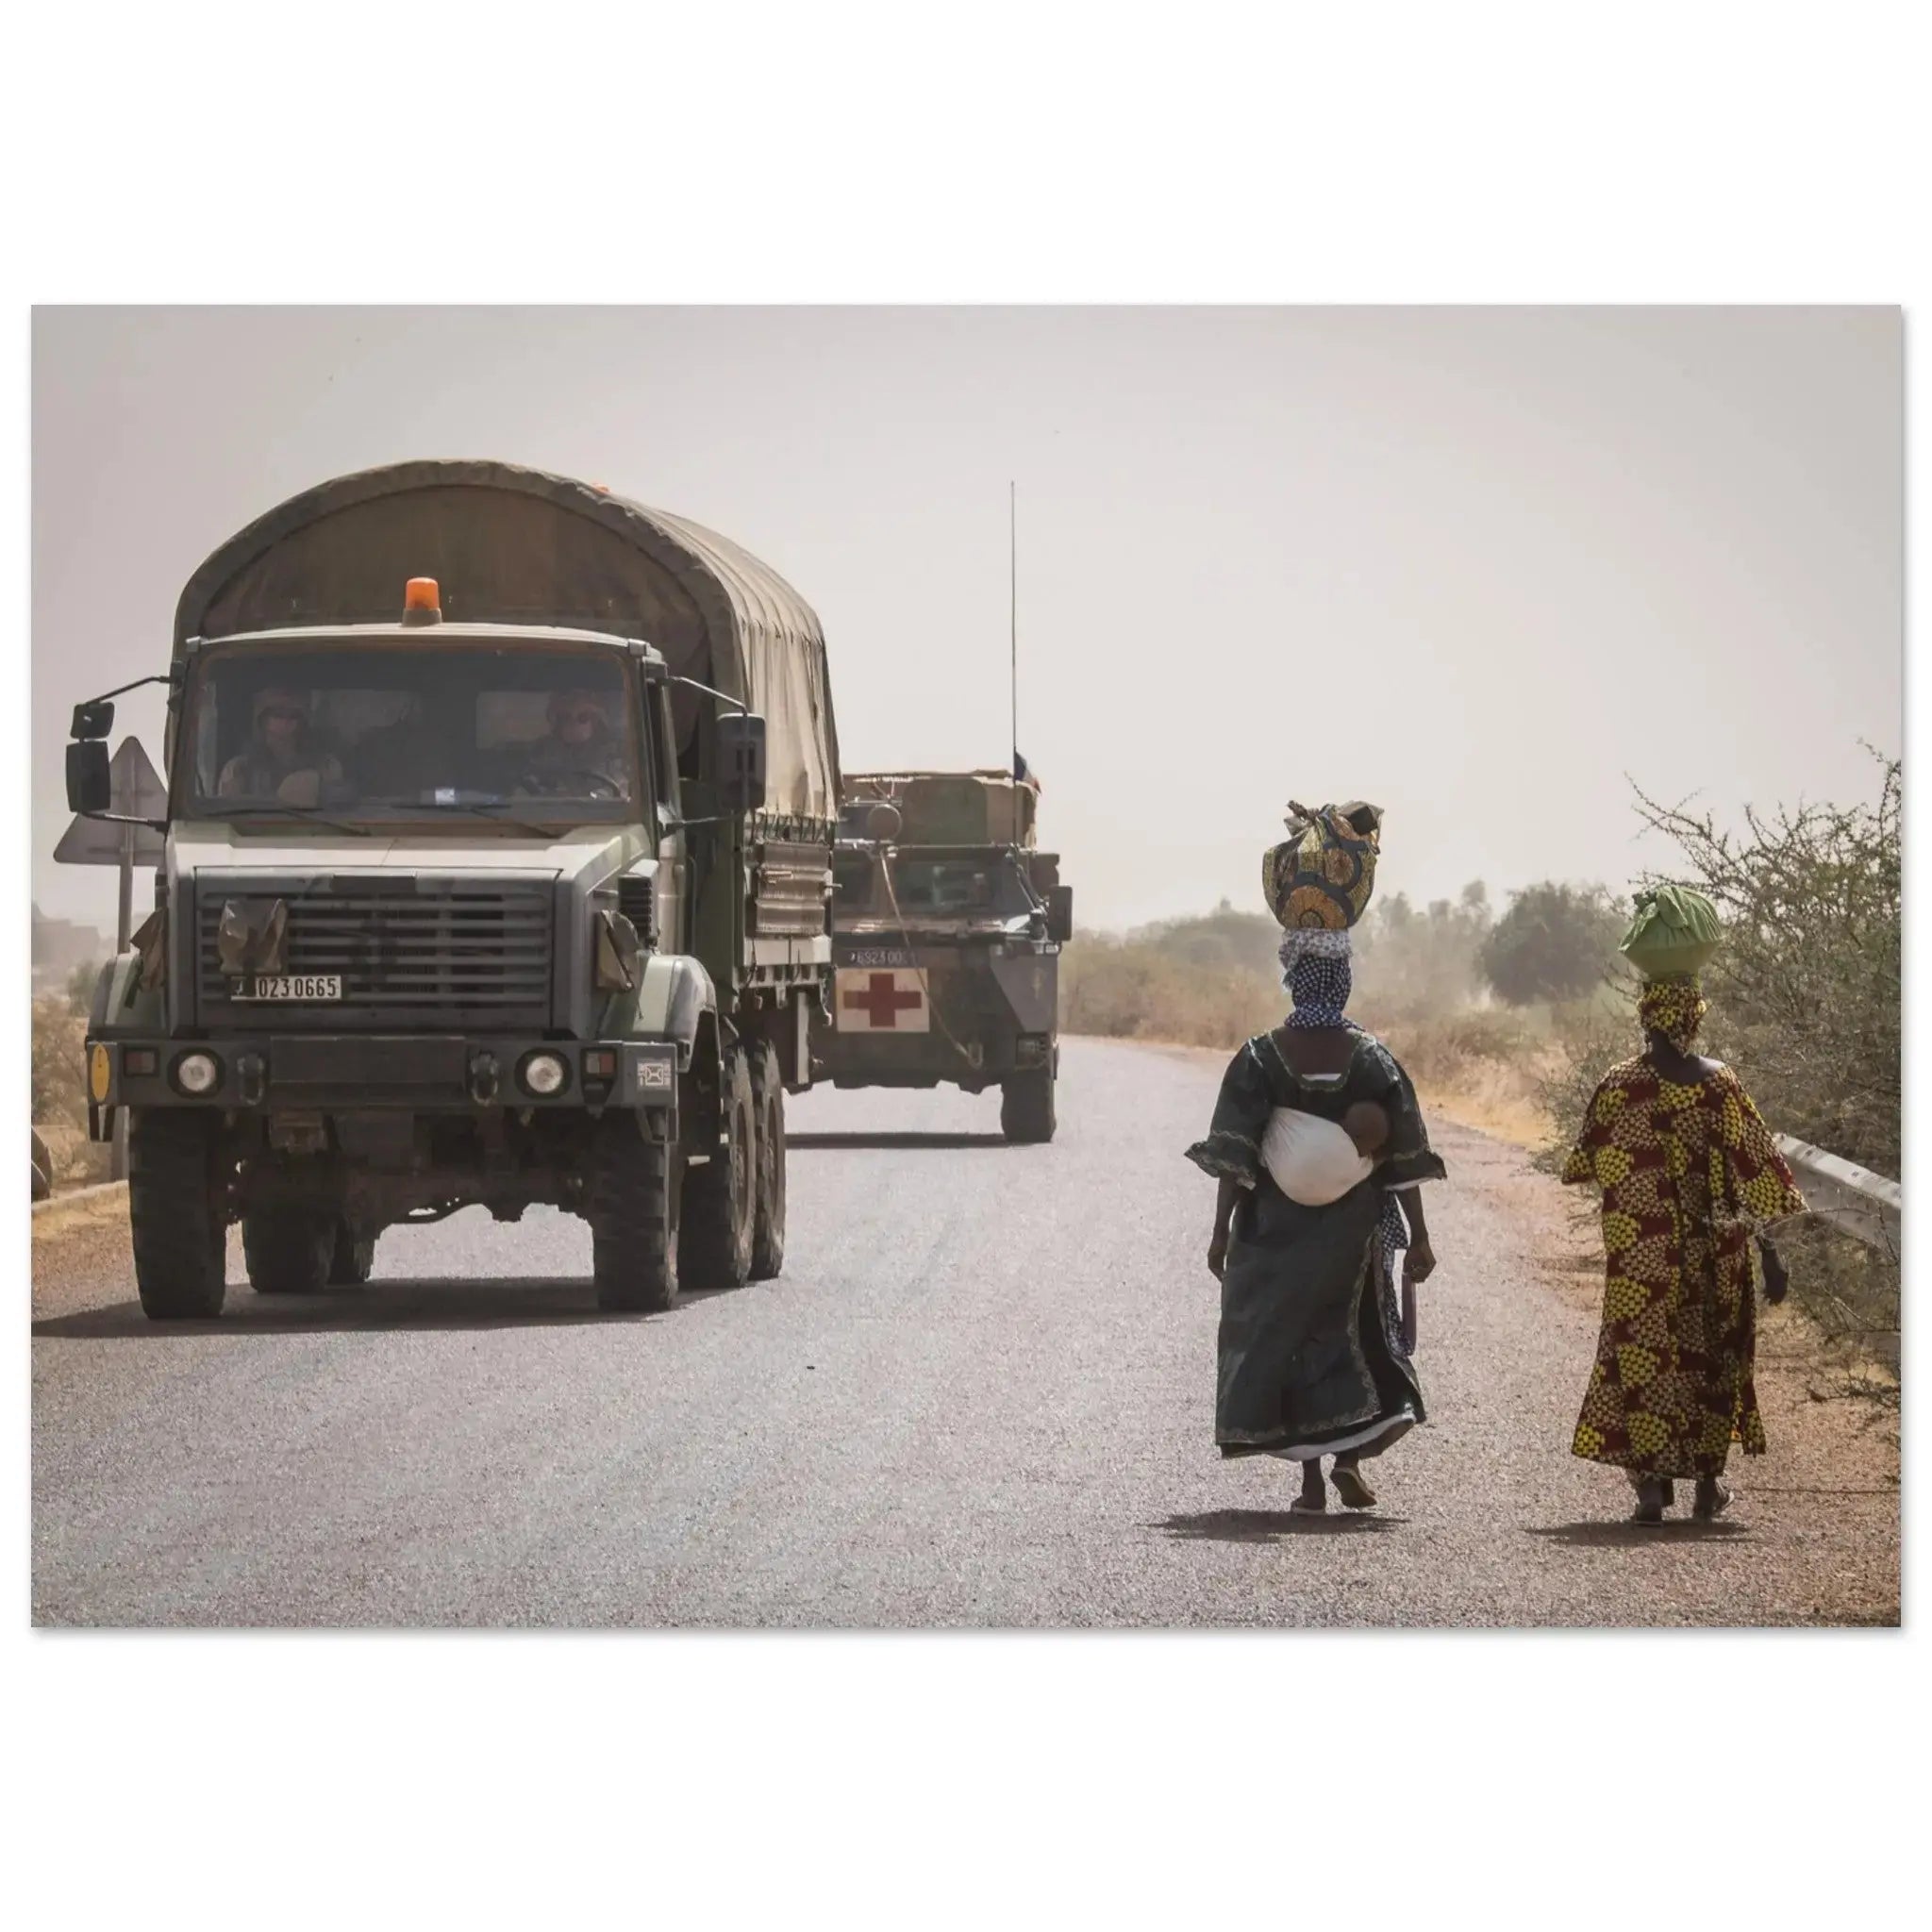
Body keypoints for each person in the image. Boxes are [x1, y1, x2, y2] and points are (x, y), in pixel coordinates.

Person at [1187, 931, 1446, 1514]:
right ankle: (1347, 1461)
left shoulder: (1259, 1056)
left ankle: (1309, 1483)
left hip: (1274, 1229)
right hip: (1352, 1231)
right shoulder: (1373, 1059)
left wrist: (1221, 1231)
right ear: (1344, 983)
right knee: (1350, 1335)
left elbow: (1235, 1153)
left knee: (1287, 1341)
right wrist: (1421, 1237)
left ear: (1294, 981)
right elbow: (1405, 1157)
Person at [1560, 974, 1806, 1524]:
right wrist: (1769, 1253)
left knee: (1645, 1363)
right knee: (1711, 1361)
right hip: (1713, 1256)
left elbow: (1583, 1164)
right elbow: (1756, 1175)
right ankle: (1707, 1486)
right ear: (1691, 1018)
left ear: (1647, 1017)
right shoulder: (1720, 1085)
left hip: (1642, 1260)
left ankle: (1650, 1488)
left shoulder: (1619, 1084)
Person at [216, 686, 343, 804]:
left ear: (303, 722)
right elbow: (230, 812)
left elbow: (336, 809)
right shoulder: (238, 768)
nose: (285, 721)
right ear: (263, 720)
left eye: (293, 716)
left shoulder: (326, 765)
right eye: (277, 715)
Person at [511, 687, 630, 795]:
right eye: (566, 717)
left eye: (583, 717)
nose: (573, 723)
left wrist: (599, 796)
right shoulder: (542, 750)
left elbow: (624, 792)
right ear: (557, 722)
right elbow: (525, 786)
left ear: (595, 721)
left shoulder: (614, 752)